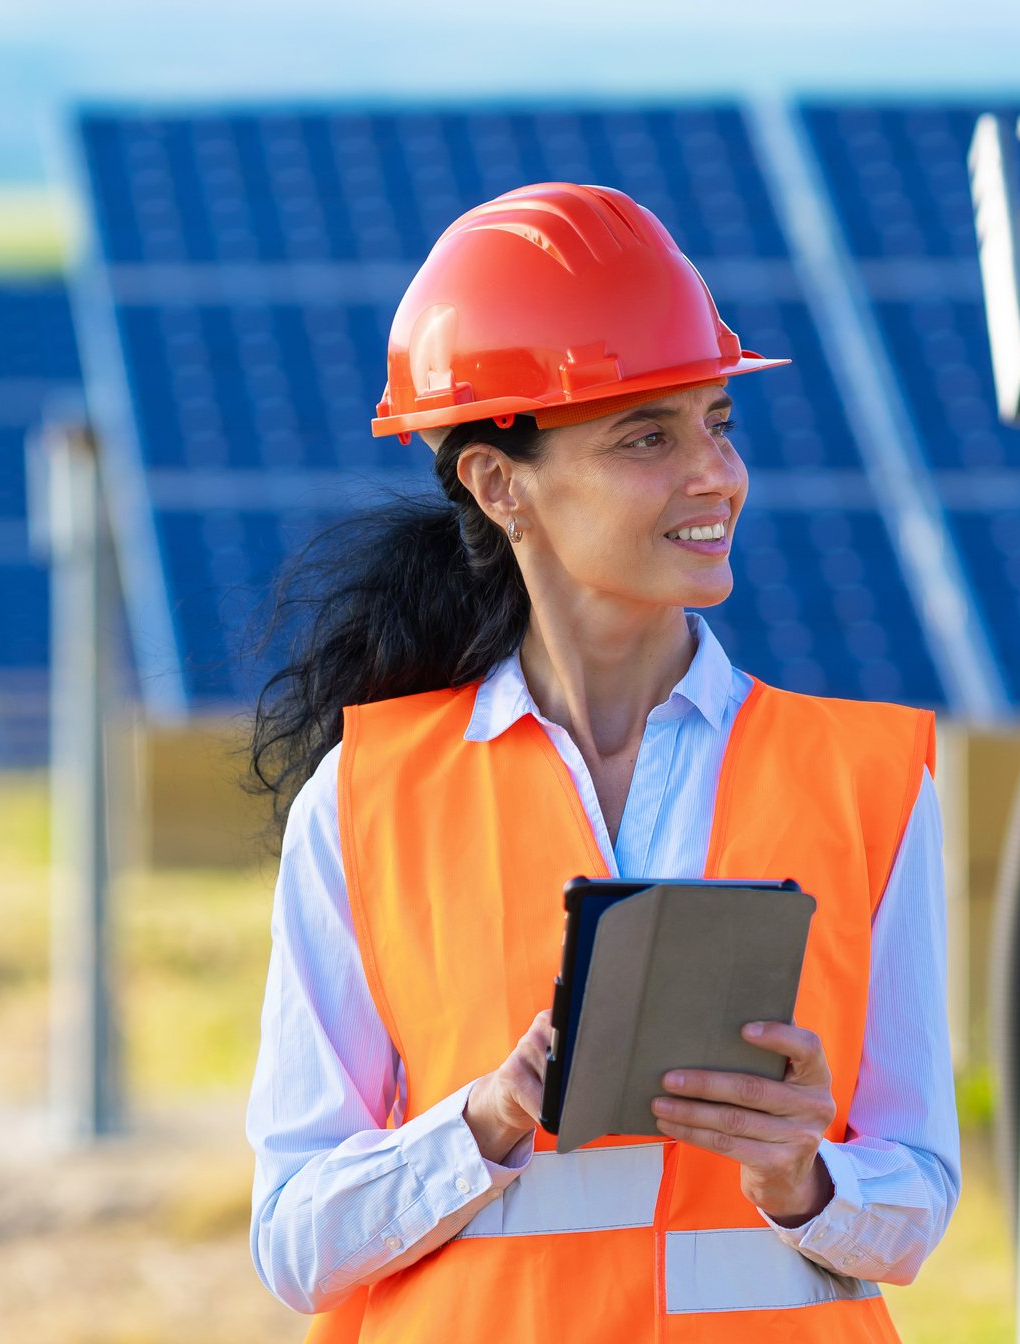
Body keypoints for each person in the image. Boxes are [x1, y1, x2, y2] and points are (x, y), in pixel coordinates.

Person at [242, 182, 959, 1343]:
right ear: (498, 484)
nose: (714, 475)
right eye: (647, 438)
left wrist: (807, 1183)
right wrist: (482, 1122)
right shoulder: (367, 798)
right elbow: (292, 1239)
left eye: (719, 423)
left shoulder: (870, 781)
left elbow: (917, 1203)